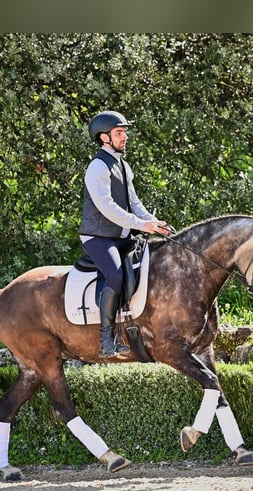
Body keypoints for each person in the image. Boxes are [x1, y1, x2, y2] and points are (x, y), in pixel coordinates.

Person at [79, 110, 171, 358]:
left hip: (120, 235)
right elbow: (107, 208)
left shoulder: (123, 165)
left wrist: (153, 222)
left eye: (124, 132)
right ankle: (106, 340)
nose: (125, 136)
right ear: (104, 138)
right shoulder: (97, 167)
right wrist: (141, 226)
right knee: (116, 276)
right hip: (98, 237)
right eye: (119, 132)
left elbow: (133, 202)